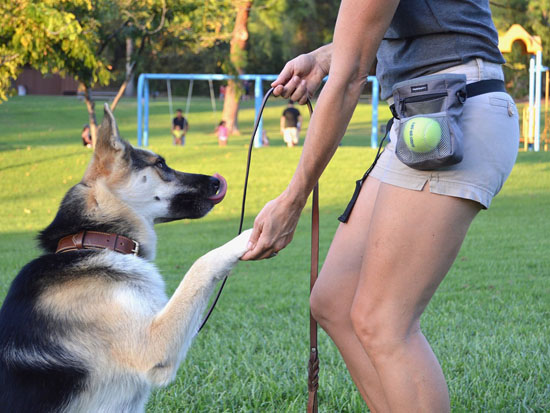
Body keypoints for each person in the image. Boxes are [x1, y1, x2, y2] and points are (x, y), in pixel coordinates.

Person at [241, 1, 519, 412]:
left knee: (384, 323)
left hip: (451, 112)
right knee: (334, 300)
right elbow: (380, 34)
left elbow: (352, 74)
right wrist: (323, 58)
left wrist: (293, 198)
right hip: (422, 114)